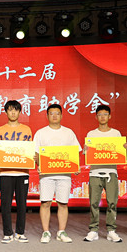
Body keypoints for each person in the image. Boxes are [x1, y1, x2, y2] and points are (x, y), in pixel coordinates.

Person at [33, 104, 82, 243]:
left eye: (57, 113)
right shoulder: (41, 133)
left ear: (61, 115)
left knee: (63, 203)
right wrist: (38, 163)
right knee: (45, 203)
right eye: (51, 113)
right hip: (46, 175)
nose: (54, 116)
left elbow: (75, 152)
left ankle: (61, 232)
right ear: (47, 115)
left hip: (64, 175)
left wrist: (76, 166)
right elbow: (36, 154)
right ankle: (46, 232)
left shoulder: (68, 132)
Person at [84, 104, 124, 243]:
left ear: (109, 116)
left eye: (105, 114)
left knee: (112, 202)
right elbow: (87, 154)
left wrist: (123, 148)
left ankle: (111, 230)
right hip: (95, 172)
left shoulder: (116, 133)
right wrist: (86, 150)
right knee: (93, 203)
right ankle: (93, 230)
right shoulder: (91, 134)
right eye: (100, 115)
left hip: (111, 172)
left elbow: (120, 153)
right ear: (96, 117)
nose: (102, 117)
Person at [0, 100, 32, 244]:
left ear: (20, 112)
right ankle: (7, 233)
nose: (13, 112)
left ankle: (20, 232)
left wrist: (32, 157)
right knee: (6, 204)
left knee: (22, 204)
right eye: (10, 110)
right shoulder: (0, 130)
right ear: (6, 112)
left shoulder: (27, 130)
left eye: (16, 110)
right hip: (5, 173)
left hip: (22, 173)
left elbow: (29, 150)